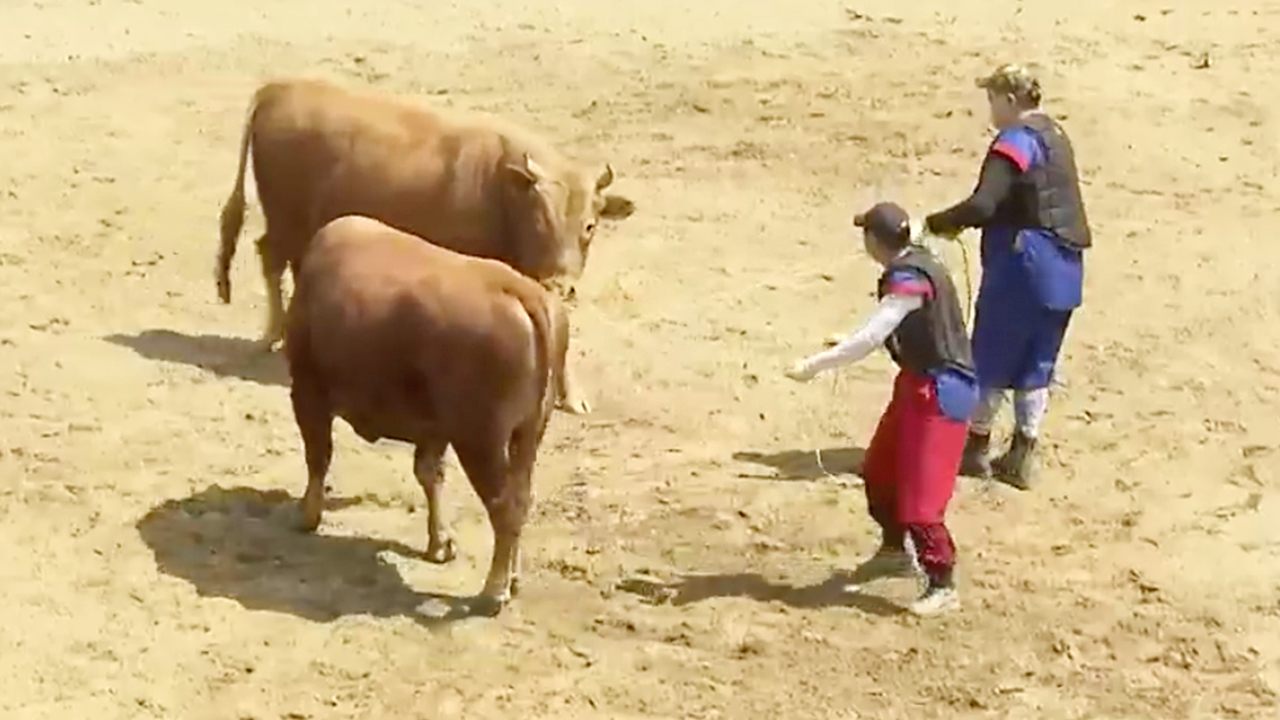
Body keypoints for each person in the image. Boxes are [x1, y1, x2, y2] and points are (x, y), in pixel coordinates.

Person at [785, 202, 978, 616]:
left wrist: (815, 366)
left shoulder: (908, 277)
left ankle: (942, 583)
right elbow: (896, 324)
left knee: (922, 505)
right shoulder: (922, 263)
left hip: (941, 394)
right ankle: (894, 549)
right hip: (917, 385)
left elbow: (874, 334)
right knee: (879, 471)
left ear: (875, 241)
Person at [923, 63, 1092, 491]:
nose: (990, 110)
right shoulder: (1056, 136)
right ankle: (1023, 452)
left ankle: (975, 447)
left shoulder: (1015, 142)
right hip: (1066, 269)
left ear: (1010, 100)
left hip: (1024, 265)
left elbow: (984, 205)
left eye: (992, 100)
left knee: (991, 356)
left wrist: (941, 222)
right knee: (1037, 363)